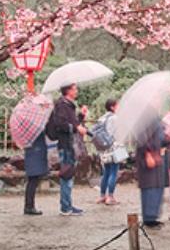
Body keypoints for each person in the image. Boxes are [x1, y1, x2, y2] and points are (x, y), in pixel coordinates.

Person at [48, 83, 85, 216]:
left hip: (70, 144)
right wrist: (76, 128)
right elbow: (61, 124)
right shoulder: (62, 105)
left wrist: (81, 116)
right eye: (75, 88)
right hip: (66, 145)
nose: (77, 91)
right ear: (68, 91)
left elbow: (72, 123)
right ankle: (65, 207)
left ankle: (67, 205)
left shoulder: (68, 105)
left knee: (68, 175)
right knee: (67, 176)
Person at [136, 116, 170, 228]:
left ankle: (153, 216)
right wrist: (147, 154)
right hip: (149, 155)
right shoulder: (144, 118)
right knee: (150, 187)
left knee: (158, 186)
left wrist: (167, 139)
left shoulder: (156, 118)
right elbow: (142, 138)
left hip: (158, 154)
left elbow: (160, 137)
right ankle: (149, 218)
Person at [22, 104, 55, 216]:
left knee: (32, 181)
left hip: (31, 153)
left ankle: (29, 205)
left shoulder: (26, 126)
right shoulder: (36, 125)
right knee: (33, 181)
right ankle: (29, 206)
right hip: (36, 153)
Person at [93, 98, 125, 207]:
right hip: (115, 146)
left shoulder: (102, 118)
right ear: (112, 107)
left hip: (103, 147)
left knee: (106, 171)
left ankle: (102, 195)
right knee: (114, 171)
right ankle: (110, 197)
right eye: (117, 105)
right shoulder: (115, 118)